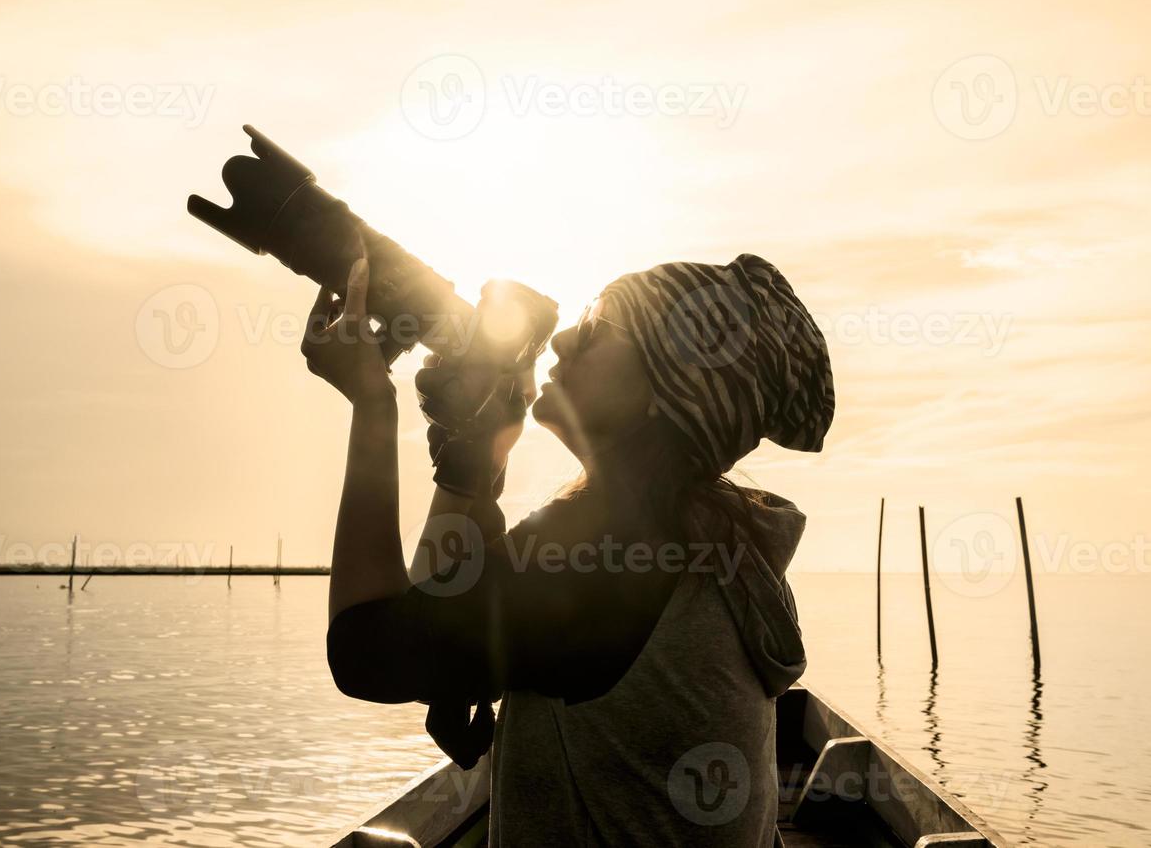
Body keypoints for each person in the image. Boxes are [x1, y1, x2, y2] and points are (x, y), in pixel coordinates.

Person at [301, 253, 835, 846]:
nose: (563, 336)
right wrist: (474, 458)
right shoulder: (704, 541)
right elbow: (442, 635)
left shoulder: (603, 555)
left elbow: (364, 650)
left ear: (671, 390)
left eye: (602, 327)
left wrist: (373, 405)